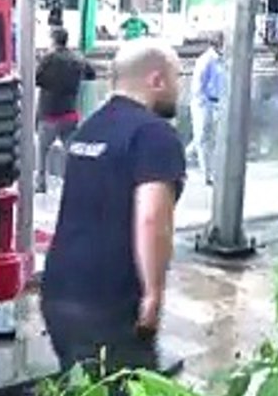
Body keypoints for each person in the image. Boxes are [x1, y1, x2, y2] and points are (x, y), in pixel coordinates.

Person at [40, 40, 187, 375]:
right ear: (156, 80)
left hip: (60, 295)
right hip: (110, 303)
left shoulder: (90, 128)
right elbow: (152, 218)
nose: (179, 88)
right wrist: (153, 293)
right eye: (177, 77)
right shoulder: (154, 134)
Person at [35, 27, 96, 194]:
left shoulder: (49, 59)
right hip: (69, 113)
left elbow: (36, 78)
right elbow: (91, 73)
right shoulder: (76, 58)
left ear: (53, 40)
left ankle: (41, 184)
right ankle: (78, 181)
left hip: (49, 114)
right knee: (72, 151)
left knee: (42, 152)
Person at [186, 33, 226, 186]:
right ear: (216, 44)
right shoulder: (206, 60)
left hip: (218, 104)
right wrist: (202, 104)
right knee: (203, 139)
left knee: (206, 139)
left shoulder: (223, 61)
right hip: (204, 104)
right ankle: (207, 175)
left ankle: (182, 159)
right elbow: (198, 85)